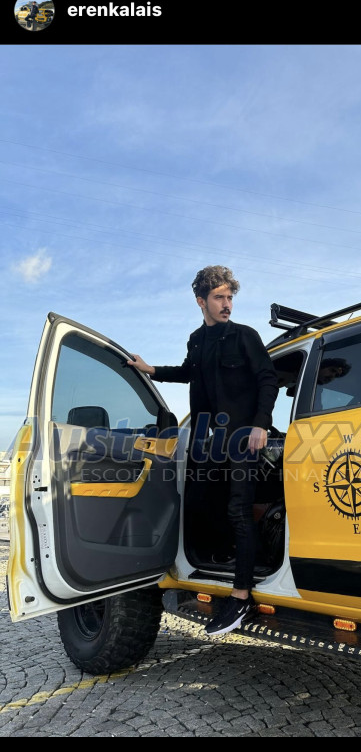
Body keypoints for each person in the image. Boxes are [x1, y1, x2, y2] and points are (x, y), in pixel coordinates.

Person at [127, 265, 278, 636]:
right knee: (198, 502)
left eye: (230, 297)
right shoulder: (196, 340)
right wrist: (150, 370)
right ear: (201, 301)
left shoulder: (245, 336)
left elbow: (268, 379)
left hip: (244, 436)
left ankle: (241, 596)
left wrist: (260, 424)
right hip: (209, 438)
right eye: (219, 297)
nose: (227, 304)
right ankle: (227, 558)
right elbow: (188, 372)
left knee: (238, 509)